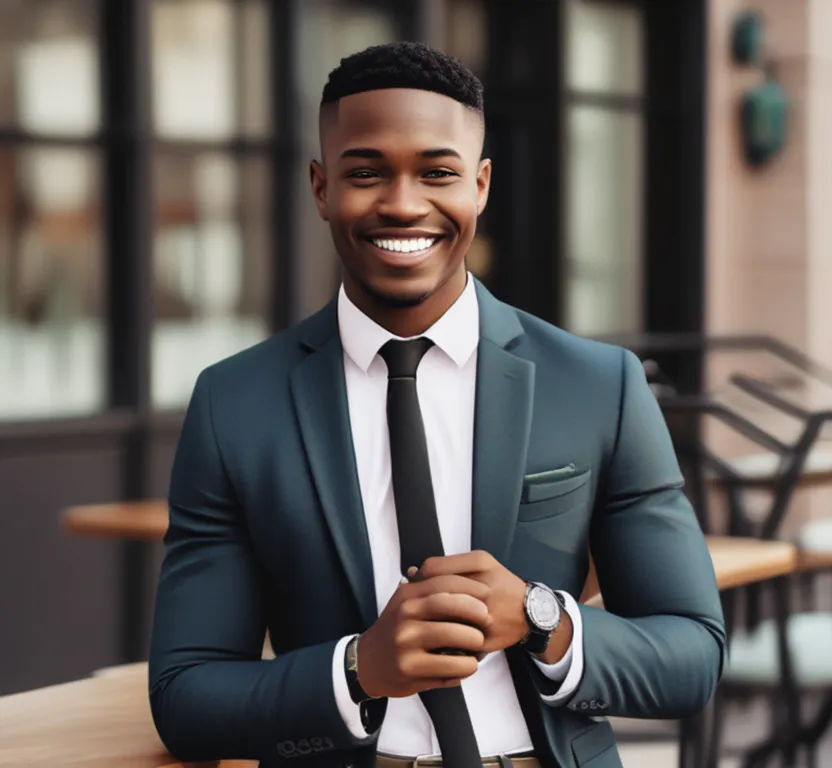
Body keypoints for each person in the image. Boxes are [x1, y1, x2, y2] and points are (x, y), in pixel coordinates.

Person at [149, 41, 725, 768]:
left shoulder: (597, 385)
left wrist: (542, 618)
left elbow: (693, 654)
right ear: (321, 188)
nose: (402, 202)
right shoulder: (235, 404)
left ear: (480, 186)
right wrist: (359, 669)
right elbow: (186, 697)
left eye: (437, 172)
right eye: (366, 173)